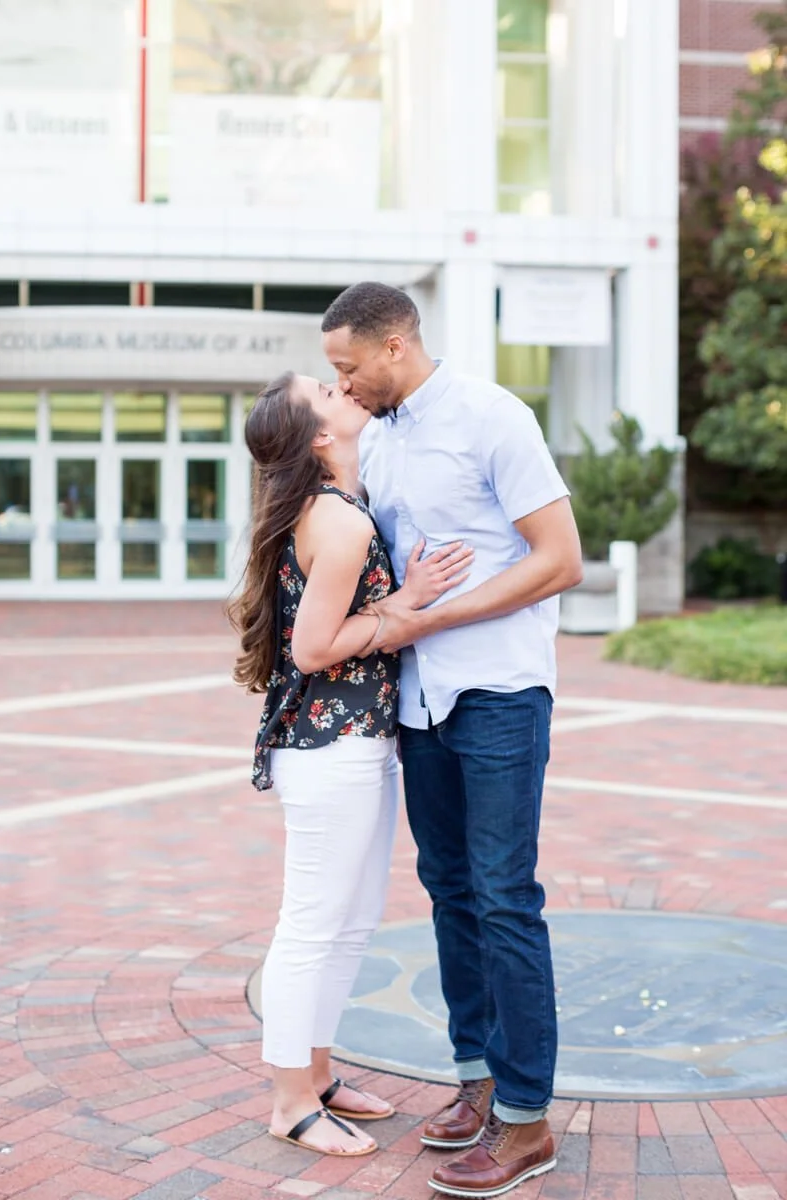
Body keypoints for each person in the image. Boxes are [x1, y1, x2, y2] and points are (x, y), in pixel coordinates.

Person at [321, 282, 583, 1197]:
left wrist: (424, 622)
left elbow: (559, 559)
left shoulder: (492, 416)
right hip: (422, 702)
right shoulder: (380, 439)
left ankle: (527, 1121)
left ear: (395, 346)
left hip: (502, 691)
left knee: (506, 896)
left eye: (349, 367)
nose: (343, 385)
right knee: (450, 892)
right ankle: (477, 1078)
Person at [229, 370, 473, 1159]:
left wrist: (400, 606)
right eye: (324, 392)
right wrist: (404, 613)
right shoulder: (338, 523)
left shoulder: (334, 509)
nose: (343, 386)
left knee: (350, 922)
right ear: (320, 438)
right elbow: (313, 649)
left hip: (350, 745)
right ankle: (290, 1101)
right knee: (313, 926)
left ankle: (318, 1074)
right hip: (331, 751)